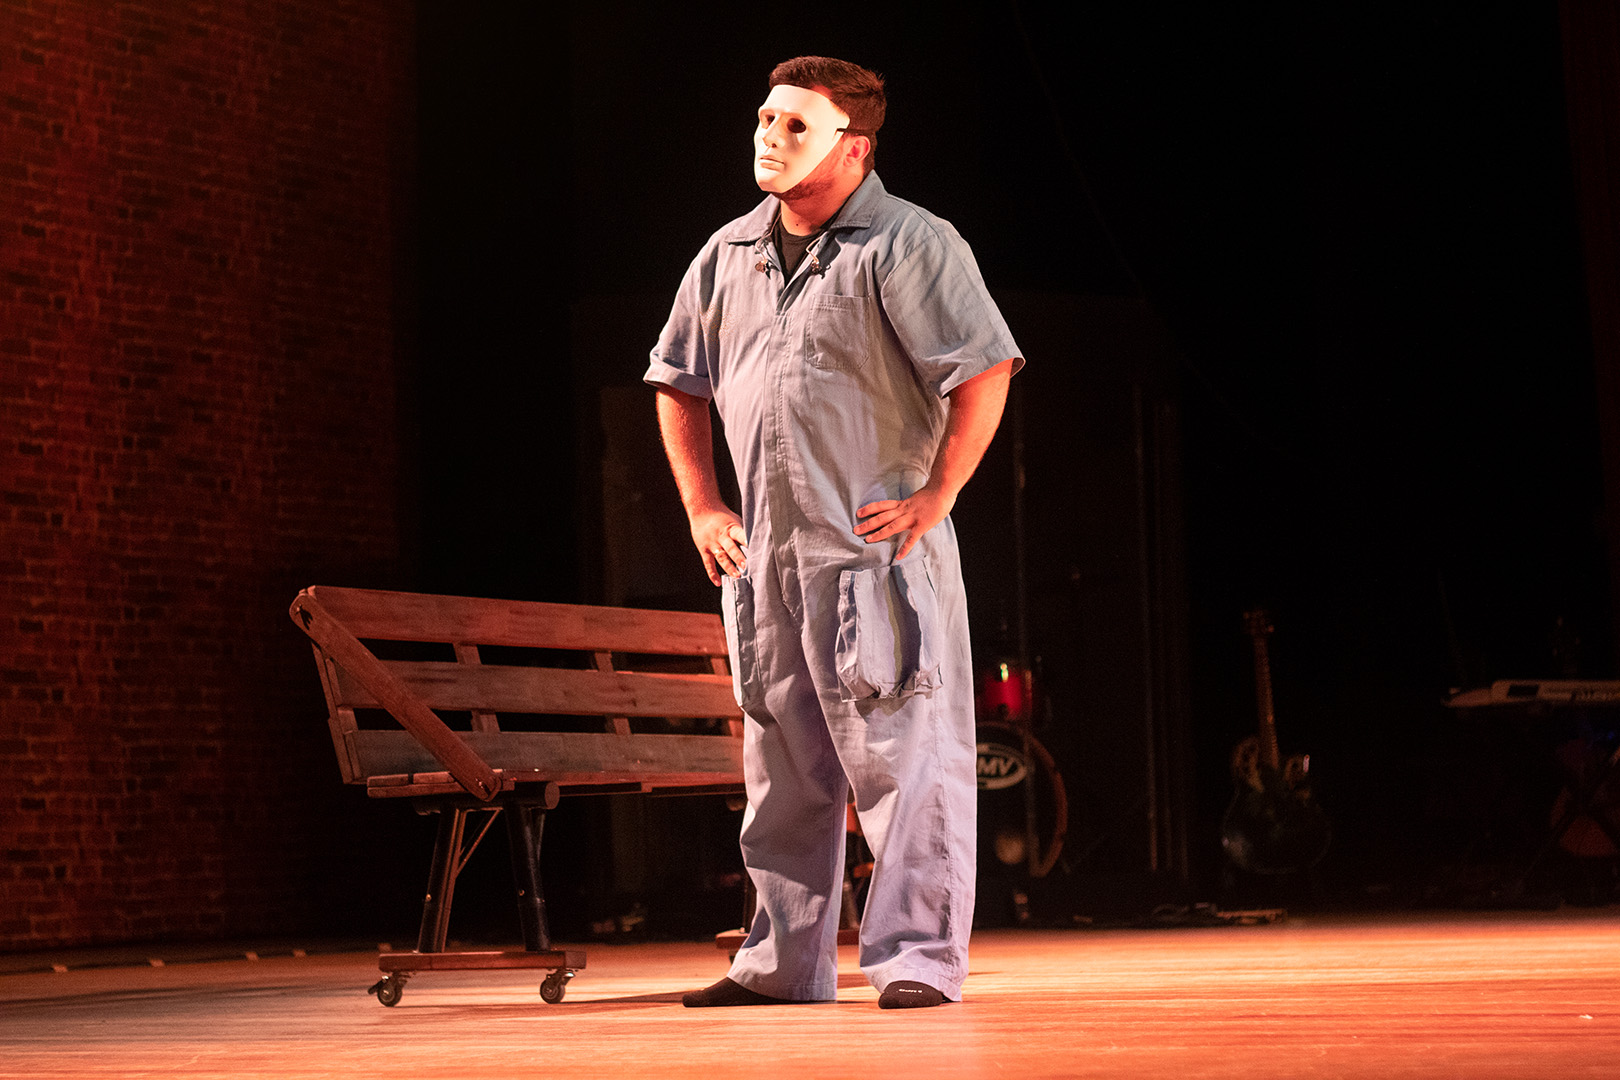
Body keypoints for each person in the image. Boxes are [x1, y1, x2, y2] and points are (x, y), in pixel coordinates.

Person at [645, 55, 1023, 1010]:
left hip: (872, 559)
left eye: (795, 126)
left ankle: (916, 960)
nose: (770, 139)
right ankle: (781, 964)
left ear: (854, 149)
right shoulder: (729, 252)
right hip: (767, 561)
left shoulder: (907, 242)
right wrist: (703, 506)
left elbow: (983, 369)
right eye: (765, 120)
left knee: (905, 762)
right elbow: (677, 382)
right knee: (779, 772)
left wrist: (938, 493)